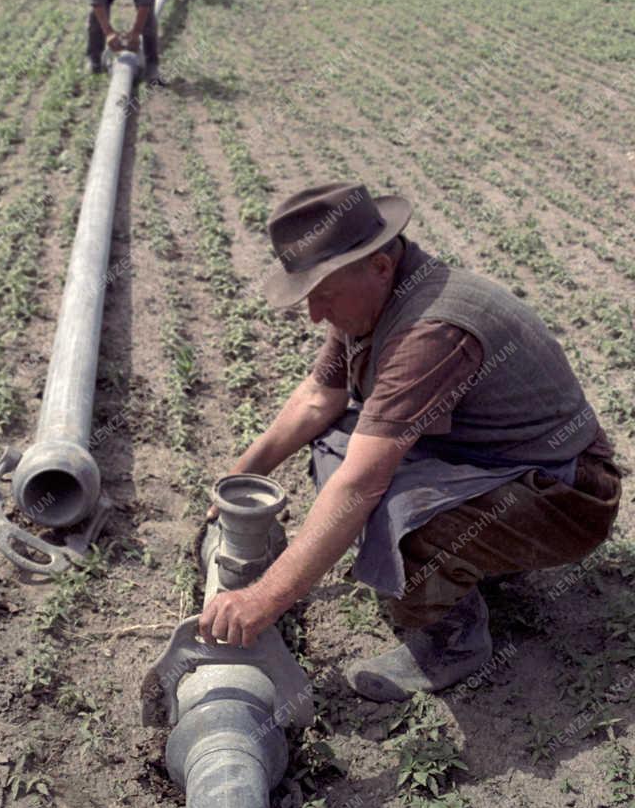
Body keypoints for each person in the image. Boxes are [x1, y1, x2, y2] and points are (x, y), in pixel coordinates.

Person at [199, 183, 621, 701]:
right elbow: (318, 399)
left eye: (323, 295)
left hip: (568, 494)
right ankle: (470, 565)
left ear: (377, 265)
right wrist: (242, 478)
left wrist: (263, 599)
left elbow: (359, 487)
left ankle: (454, 641)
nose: (314, 314)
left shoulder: (429, 330)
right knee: (338, 442)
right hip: (492, 461)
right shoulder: (375, 299)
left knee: (395, 514)